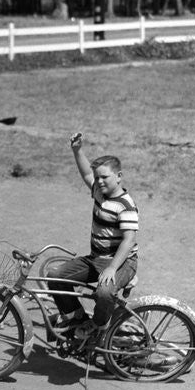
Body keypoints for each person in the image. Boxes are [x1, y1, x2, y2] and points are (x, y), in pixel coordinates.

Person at [50, 132, 138, 341]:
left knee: (104, 293)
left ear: (119, 176)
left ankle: (98, 326)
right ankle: (77, 318)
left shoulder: (126, 206)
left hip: (122, 262)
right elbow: (86, 175)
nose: (99, 181)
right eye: (98, 177)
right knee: (54, 276)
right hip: (96, 259)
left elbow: (129, 240)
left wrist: (112, 268)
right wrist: (77, 150)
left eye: (105, 177)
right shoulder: (100, 192)